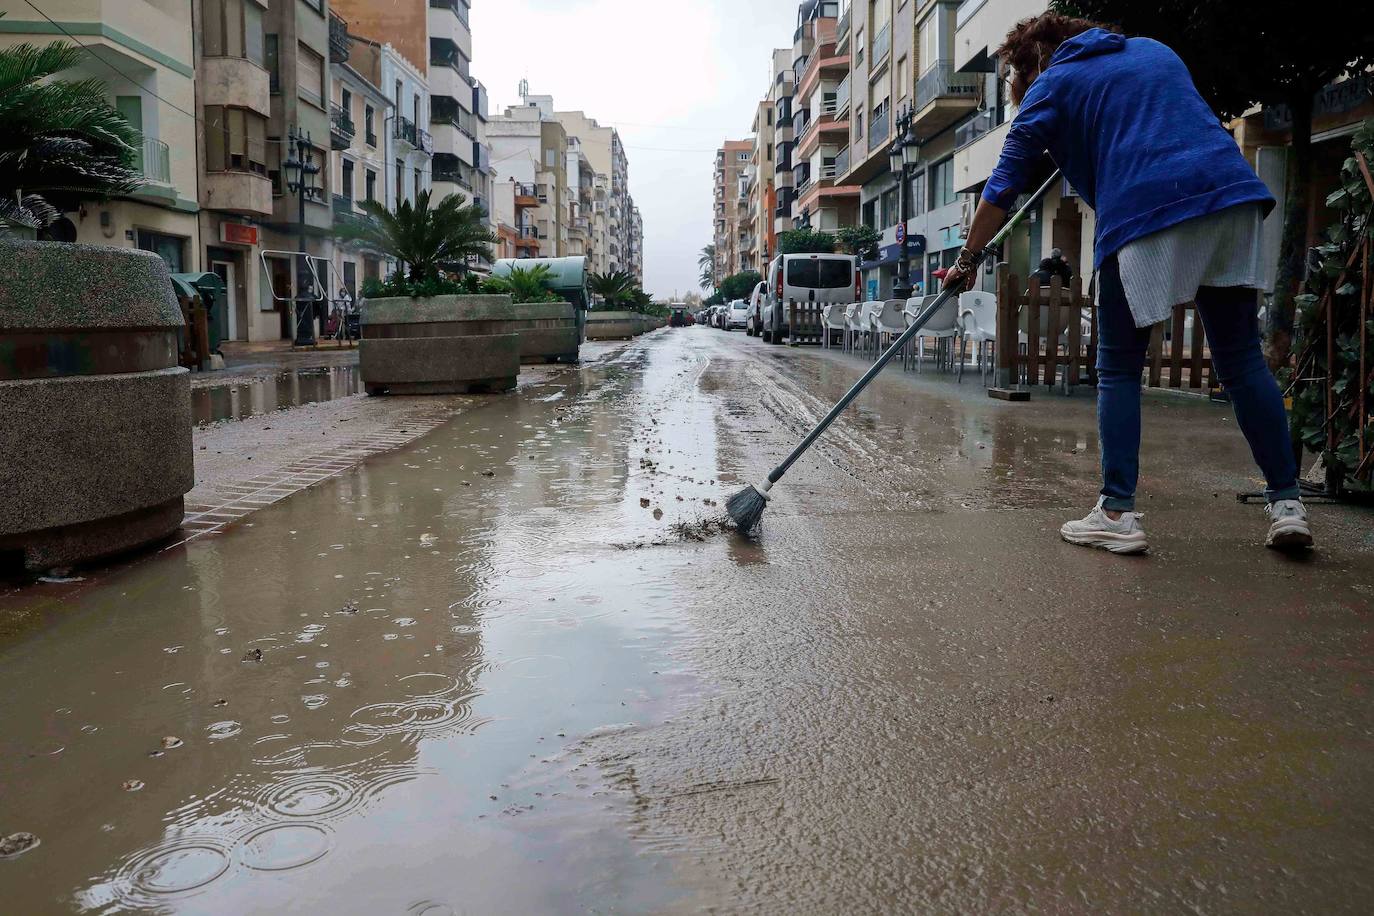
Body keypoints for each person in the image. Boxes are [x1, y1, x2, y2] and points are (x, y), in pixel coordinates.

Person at [943, 13, 1311, 554]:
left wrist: (968, 258)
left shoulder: (1053, 82)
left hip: (1146, 208)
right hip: (1232, 195)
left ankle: (1117, 512)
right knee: (1240, 359)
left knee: (1117, 366)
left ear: (1036, 60)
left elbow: (1001, 187)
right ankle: (1287, 503)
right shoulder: (1153, 50)